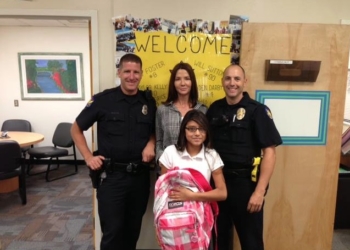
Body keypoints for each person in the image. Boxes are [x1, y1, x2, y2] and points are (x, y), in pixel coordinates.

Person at [70, 53, 157, 250]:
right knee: (112, 233)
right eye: (127, 71)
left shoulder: (148, 103)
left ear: (141, 74)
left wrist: (151, 143)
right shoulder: (103, 100)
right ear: (119, 73)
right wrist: (88, 157)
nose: (131, 76)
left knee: (133, 231)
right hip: (112, 178)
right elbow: (75, 129)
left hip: (139, 178)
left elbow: (153, 131)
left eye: (136, 72)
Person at [206, 64, 282, 250]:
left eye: (237, 79)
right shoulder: (215, 109)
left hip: (246, 186)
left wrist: (259, 192)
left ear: (244, 82)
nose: (232, 83)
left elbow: (270, 153)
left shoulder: (257, 111)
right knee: (219, 240)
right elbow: (206, 147)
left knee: (251, 242)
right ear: (223, 82)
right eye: (228, 79)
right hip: (219, 184)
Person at [157, 109, 227, 250]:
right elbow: (161, 192)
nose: (197, 133)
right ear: (184, 130)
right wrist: (157, 223)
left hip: (201, 219)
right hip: (173, 218)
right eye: (191, 129)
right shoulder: (170, 152)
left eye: (202, 129)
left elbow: (222, 193)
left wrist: (191, 196)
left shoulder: (211, 155)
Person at [156, 62, 207, 172]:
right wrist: (162, 161)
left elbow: (206, 142)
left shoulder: (202, 110)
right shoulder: (162, 110)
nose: (183, 83)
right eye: (178, 79)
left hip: (196, 172)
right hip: (168, 171)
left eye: (187, 78)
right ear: (173, 83)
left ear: (192, 82)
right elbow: (159, 141)